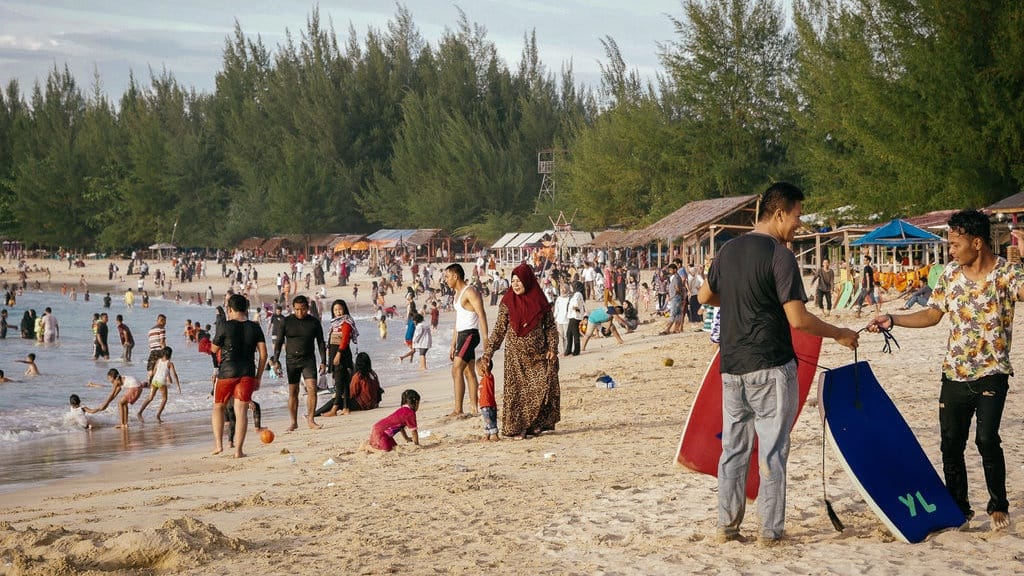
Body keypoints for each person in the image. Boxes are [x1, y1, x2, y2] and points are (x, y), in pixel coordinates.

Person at [698, 182, 858, 545]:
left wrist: (741, 299)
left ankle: (727, 528)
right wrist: (838, 333)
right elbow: (798, 320)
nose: (798, 224)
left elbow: (705, 296)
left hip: (732, 365)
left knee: (734, 450)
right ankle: (769, 532)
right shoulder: (780, 255)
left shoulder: (727, 250)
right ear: (780, 213)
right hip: (770, 365)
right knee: (771, 450)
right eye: (798, 216)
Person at [867, 210, 1021, 532]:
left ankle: (997, 505)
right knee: (951, 445)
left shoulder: (1007, 274)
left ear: (976, 243)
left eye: (954, 244)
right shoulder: (950, 275)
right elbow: (933, 315)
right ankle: (960, 509)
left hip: (993, 372)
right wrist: (893, 319)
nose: (950, 250)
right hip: (954, 373)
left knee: (987, 439)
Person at [479, 263, 560, 439]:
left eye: (519, 281)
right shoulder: (507, 303)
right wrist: (488, 354)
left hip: (539, 354)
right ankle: (519, 427)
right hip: (515, 357)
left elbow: (551, 327)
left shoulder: (540, 301)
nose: (515, 284)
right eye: (513, 281)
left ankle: (535, 425)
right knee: (518, 394)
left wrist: (553, 348)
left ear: (528, 281)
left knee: (541, 388)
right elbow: (499, 330)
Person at [211, 294, 268, 457]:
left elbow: (214, 350)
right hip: (248, 372)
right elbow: (263, 354)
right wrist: (258, 377)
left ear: (229, 309)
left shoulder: (224, 326)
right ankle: (238, 451)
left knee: (218, 406)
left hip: (227, 372)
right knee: (241, 411)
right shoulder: (255, 327)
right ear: (246, 308)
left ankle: (218, 445)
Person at [273, 294, 327, 431]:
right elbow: (279, 342)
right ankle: (293, 422)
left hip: (308, 359)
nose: (299, 312)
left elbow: (321, 342)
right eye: (296, 309)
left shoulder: (314, 322)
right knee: (293, 391)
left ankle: (311, 420)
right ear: (293, 308)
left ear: (307, 308)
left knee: (312, 389)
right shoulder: (286, 322)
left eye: (302, 309)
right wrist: (276, 360)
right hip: (291, 361)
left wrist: (323, 361)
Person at [444, 263, 488, 417]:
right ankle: (475, 408)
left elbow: (481, 314)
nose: (446, 280)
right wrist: (452, 343)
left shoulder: (470, 291)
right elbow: (458, 320)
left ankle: (458, 409)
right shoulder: (457, 295)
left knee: (456, 369)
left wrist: (486, 338)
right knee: (469, 372)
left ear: (456, 276)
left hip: (470, 334)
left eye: (447, 276)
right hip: (462, 335)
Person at [316, 300, 358, 417]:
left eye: (340, 309)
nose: (338, 312)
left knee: (339, 381)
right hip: (334, 353)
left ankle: (334, 409)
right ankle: (346, 407)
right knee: (344, 382)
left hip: (341, 354)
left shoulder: (346, 322)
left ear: (344, 309)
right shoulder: (334, 323)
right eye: (335, 310)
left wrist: (338, 354)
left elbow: (344, 340)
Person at [137, 347, 182, 422]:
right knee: (164, 399)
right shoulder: (170, 363)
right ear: (170, 354)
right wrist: (178, 386)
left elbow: (154, 371)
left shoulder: (158, 361)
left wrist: (150, 381)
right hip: (161, 382)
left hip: (155, 381)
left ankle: (140, 412)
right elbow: (175, 375)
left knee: (150, 398)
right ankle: (158, 415)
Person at [477, 367, 499, 442]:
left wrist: (486, 367)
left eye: (478, 369)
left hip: (488, 404)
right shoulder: (482, 380)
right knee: (486, 421)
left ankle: (494, 434)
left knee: (490, 421)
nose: (477, 371)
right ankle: (487, 435)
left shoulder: (488, 378)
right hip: (483, 405)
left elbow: (487, 371)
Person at [564, 281, 585, 356]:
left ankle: (576, 350)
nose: (571, 288)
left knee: (575, 333)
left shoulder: (577, 294)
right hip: (573, 316)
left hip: (575, 316)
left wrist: (575, 309)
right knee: (569, 333)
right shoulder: (576, 294)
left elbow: (576, 305)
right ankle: (568, 350)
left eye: (571, 286)